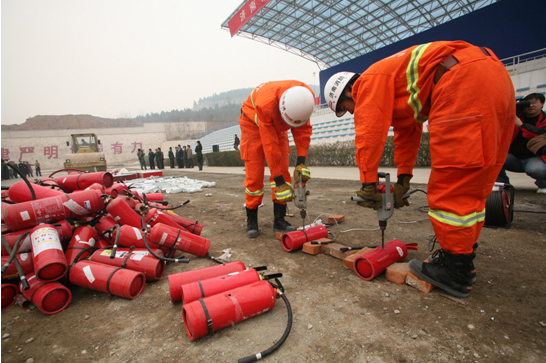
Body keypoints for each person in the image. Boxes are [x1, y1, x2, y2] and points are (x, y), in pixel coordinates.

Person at [324, 41, 515, 298]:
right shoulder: (395, 84)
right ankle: (461, 259)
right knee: (474, 183)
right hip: (492, 74)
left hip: (461, 81)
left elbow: (368, 134)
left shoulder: (366, 84)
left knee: (451, 184)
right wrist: (404, 178)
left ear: (347, 93)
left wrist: (368, 184)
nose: (348, 113)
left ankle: (455, 272)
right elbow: (408, 133)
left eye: (343, 109)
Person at [240, 80, 315, 238]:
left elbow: (303, 131)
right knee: (254, 176)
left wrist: (301, 162)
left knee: (283, 169)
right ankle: (252, 221)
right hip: (252, 123)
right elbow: (270, 146)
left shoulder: (303, 98)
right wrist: (278, 181)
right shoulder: (266, 104)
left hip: (278, 123)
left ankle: (279, 221)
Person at [496, 93, 546, 193]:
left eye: (534, 102)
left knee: (537, 169)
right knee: (493, 157)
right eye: (528, 103)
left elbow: (540, 134)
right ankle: (503, 184)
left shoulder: (544, 121)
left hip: (534, 158)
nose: (531, 105)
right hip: (513, 158)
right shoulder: (516, 117)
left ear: (542, 104)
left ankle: (543, 185)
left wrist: (522, 125)